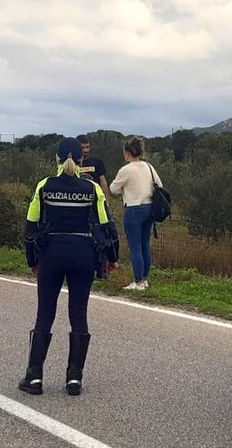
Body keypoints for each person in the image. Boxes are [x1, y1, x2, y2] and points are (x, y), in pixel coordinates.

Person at [20, 136, 118, 397]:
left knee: (45, 313)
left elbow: (31, 227)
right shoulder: (91, 188)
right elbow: (107, 224)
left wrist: (33, 261)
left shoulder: (44, 186)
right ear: (82, 159)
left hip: (52, 254)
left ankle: (34, 377)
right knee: (78, 314)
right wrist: (113, 257)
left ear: (56, 158)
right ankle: (74, 379)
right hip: (83, 255)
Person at [109, 135, 162, 291]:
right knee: (145, 244)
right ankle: (144, 279)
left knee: (135, 247)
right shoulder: (149, 167)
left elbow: (113, 189)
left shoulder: (126, 170)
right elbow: (159, 185)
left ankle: (138, 281)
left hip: (133, 209)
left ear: (127, 153)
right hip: (149, 208)